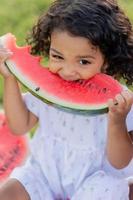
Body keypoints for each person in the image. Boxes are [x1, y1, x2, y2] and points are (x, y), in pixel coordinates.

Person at [0, 0, 133, 199]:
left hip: (93, 182)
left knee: (105, 190)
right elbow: (20, 126)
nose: (68, 71)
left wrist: (117, 121)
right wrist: (11, 78)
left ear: (108, 61)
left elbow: (120, 162)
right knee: (8, 191)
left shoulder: (119, 102)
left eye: (83, 61)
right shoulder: (48, 91)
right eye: (57, 57)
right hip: (43, 174)